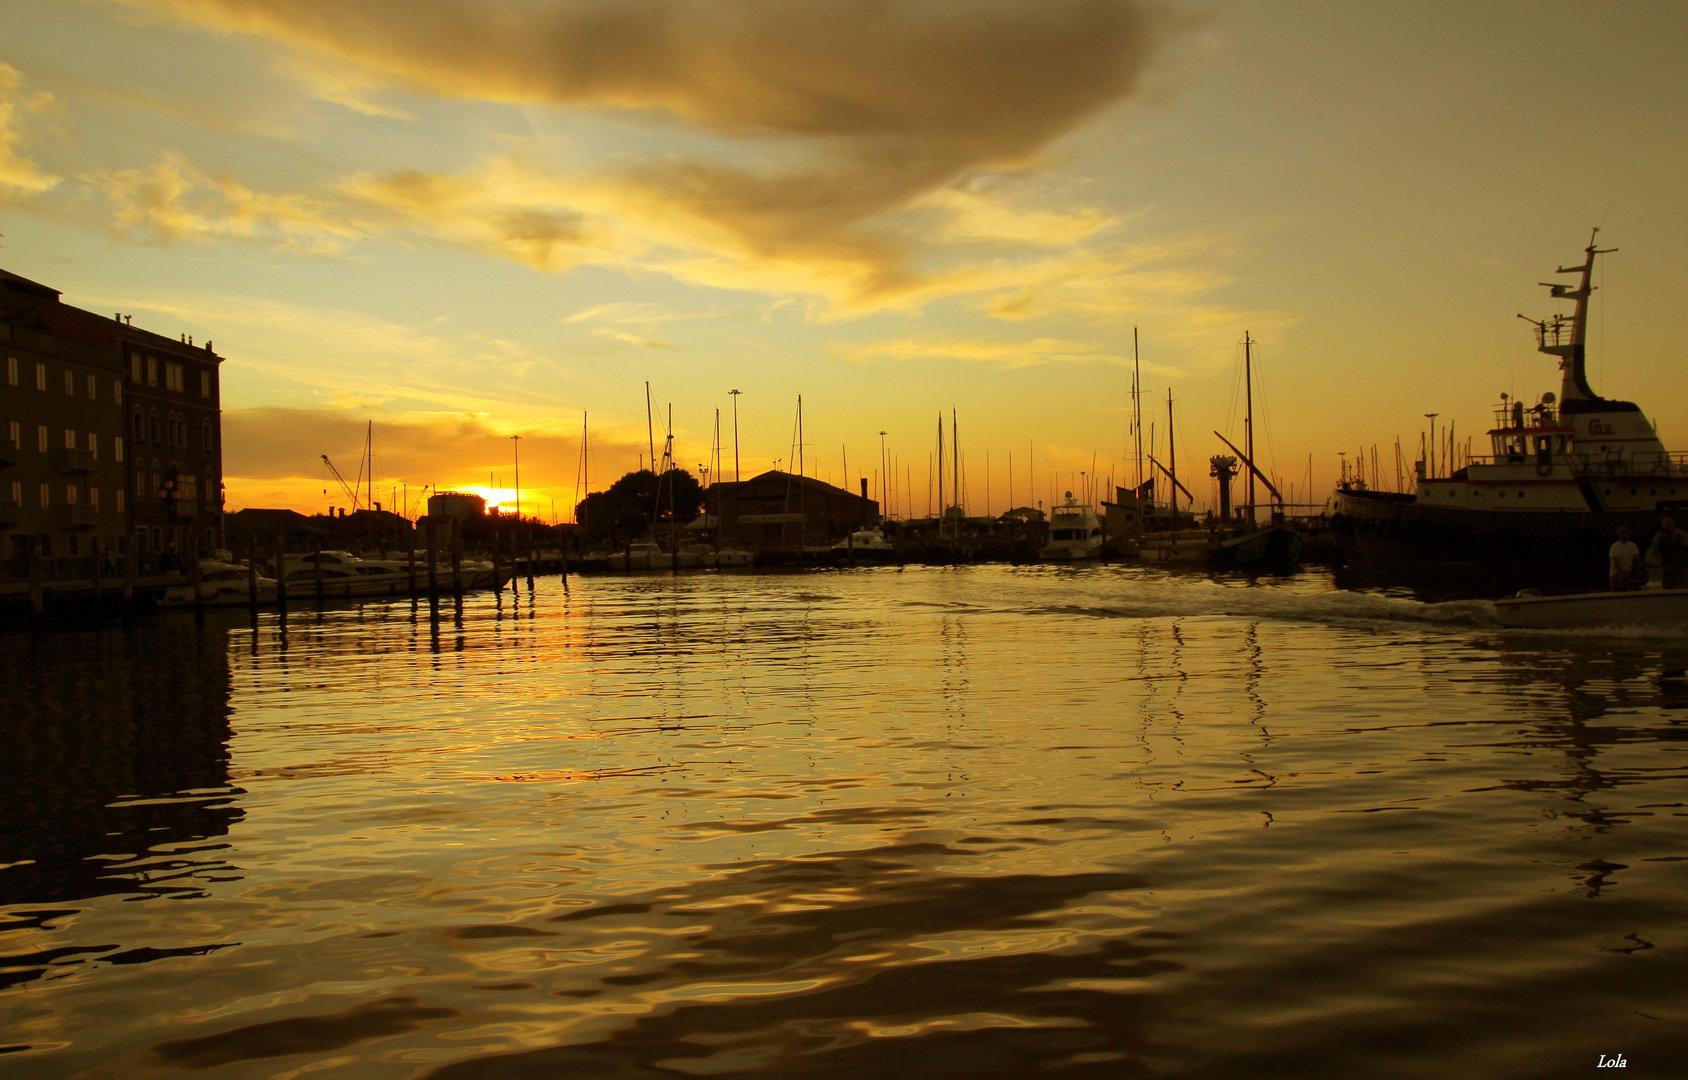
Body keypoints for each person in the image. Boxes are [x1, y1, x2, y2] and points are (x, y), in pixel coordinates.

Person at [1648, 517, 1688, 589]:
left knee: (1684, 586)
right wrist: (1663, 564)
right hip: (1668, 566)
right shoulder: (1658, 537)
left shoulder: (1681, 534)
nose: (1668, 526)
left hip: (1682, 565)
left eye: (1670, 523)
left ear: (1674, 524)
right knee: (1668, 587)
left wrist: (1679, 541)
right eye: (1666, 524)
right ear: (1662, 525)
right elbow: (1655, 552)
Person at [1609, 526, 1641, 591]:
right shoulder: (1615, 547)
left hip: (1628, 573)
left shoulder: (1632, 545)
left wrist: (1638, 570)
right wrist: (1621, 572)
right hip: (1617, 574)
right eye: (1625, 533)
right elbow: (1615, 561)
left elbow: (1637, 558)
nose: (1627, 535)